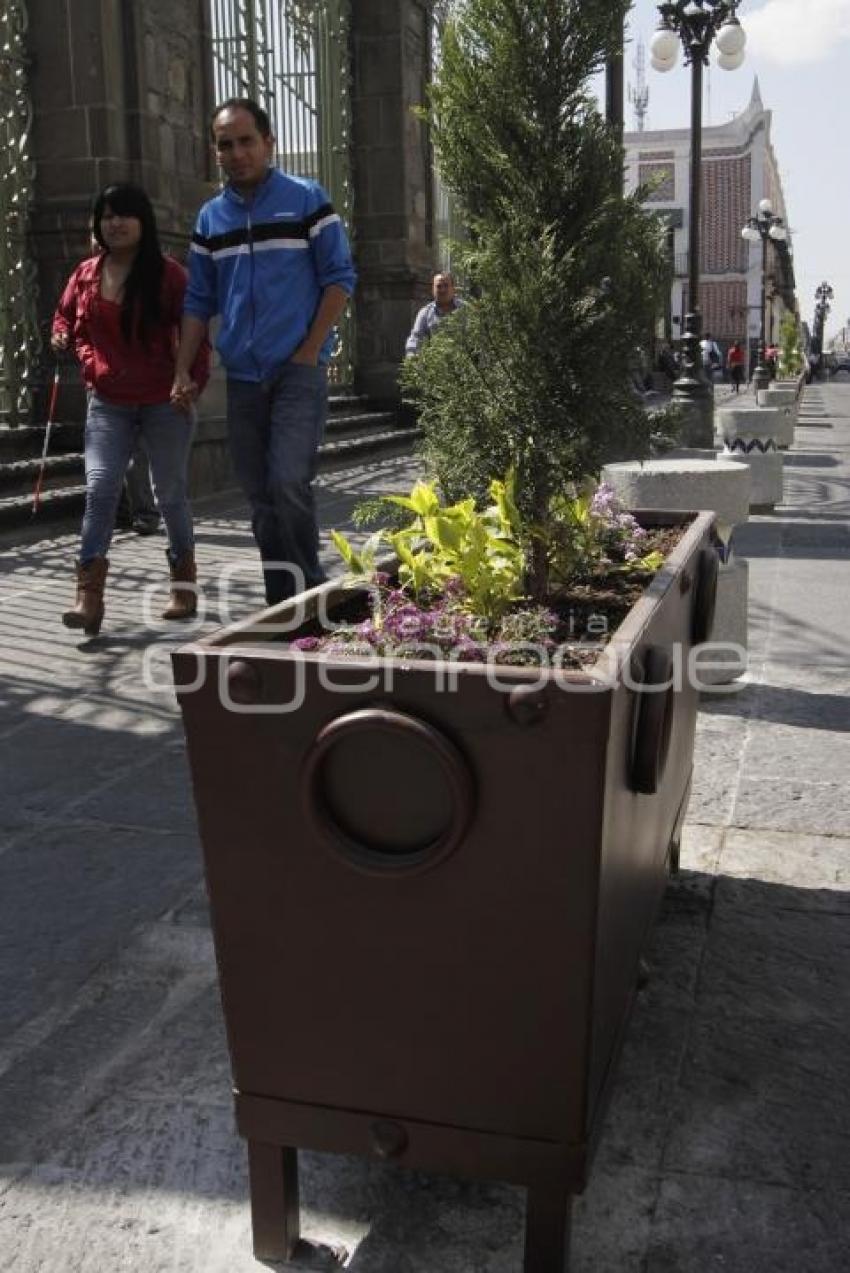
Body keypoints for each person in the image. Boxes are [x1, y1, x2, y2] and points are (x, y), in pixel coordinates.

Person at [172, 97, 356, 606]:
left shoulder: (307, 200)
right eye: (225, 145)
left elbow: (339, 279)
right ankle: (284, 602)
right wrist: (182, 369)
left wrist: (309, 350)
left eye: (246, 141)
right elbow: (198, 300)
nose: (236, 153)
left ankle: (310, 594)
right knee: (260, 498)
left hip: (298, 370)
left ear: (269, 142)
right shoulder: (211, 220)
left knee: (289, 481)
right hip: (245, 379)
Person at [52, 182, 209, 636]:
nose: (114, 223)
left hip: (164, 402)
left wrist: (190, 382)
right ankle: (88, 596)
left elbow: (197, 334)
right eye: (106, 215)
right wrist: (69, 343)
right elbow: (65, 317)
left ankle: (184, 585)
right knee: (101, 488)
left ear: (144, 221)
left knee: (168, 495)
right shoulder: (85, 273)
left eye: (124, 214)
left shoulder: (169, 275)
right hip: (108, 402)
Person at [405, 272, 462, 356]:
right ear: (433, 290)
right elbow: (416, 339)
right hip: (436, 364)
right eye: (438, 286)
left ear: (453, 289)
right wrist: (412, 359)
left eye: (446, 286)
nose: (442, 290)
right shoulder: (425, 313)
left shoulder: (465, 309)